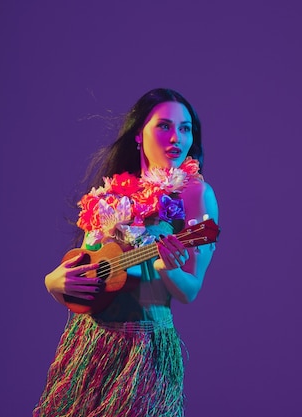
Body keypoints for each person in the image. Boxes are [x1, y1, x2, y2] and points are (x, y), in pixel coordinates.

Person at [33, 88, 219, 417]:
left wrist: (166, 266)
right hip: (90, 344)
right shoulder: (114, 192)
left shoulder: (196, 194)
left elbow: (190, 290)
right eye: (164, 126)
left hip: (143, 353)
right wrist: (53, 281)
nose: (176, 136)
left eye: (186, 128)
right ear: (138, 135)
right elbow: (87, 266)